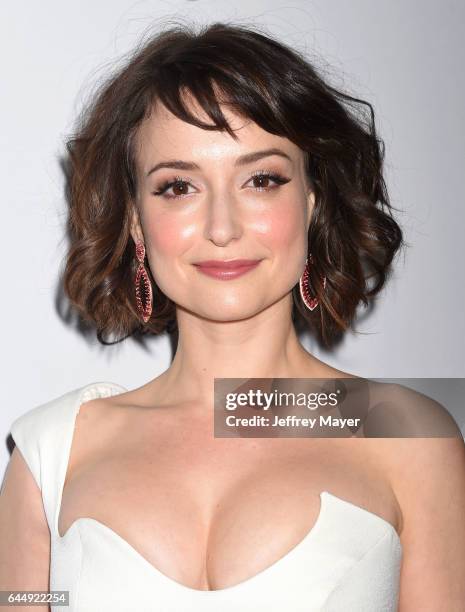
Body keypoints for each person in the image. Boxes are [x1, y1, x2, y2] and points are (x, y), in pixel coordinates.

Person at [1, 20, 464, 612]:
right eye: (177, 187)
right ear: (137, 219)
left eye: (261, 179)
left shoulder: (406, 433)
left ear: (312, 198)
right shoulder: (50, 455)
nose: (223, 228)